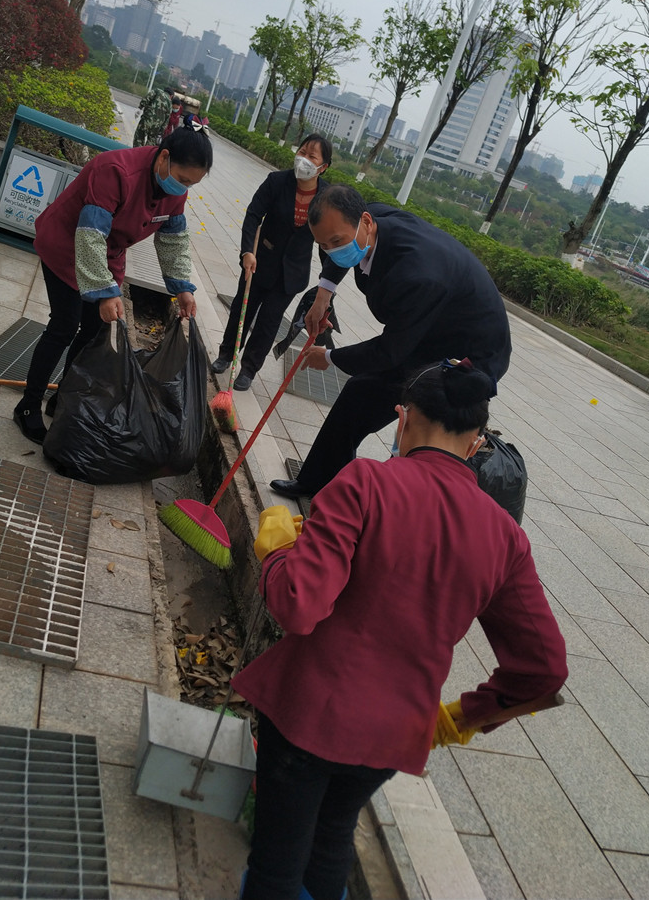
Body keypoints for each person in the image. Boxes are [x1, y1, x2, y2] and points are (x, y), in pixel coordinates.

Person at [233, 358, 568, 900]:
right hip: (393, 736)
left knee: (276, 863)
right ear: (476, 441)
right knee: (331, 837)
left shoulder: (366, 481)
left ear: (403, 417)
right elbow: (546, 669)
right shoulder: (506, 538)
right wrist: (462, 718)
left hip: (306, 716)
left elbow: (298, 604)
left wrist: (277, 551)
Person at [270, 183, 512, 498]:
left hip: (467, 355)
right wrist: (323, 294)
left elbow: (390, 351)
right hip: (428, 330)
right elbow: (337, 249)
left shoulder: (416, 274)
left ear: (366, 222)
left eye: (338, 242)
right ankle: (320, 483)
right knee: (358, 394)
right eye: (323, 245)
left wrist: (329, 358)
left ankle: (394, 514)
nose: (331, 250)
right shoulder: (371, 219)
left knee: (420, 433)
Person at [13, 124, 213, 444]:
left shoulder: (174, 192)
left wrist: (183, 288)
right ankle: (28, 406)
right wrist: (105, 292)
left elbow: (173, 241)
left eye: (192, 184)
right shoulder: (115, 170)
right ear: (164, 158)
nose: (184, 188)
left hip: (108, 254)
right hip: (67, 244)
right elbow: (90, 235)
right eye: (184, 179)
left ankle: (63, 397)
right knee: (65, 325)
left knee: (93, 331)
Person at [211, 135, 332, 391]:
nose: (304, 159)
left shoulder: (327, 197)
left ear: (324, 167)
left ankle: (249, 369)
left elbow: (327, 244)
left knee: (269, 321)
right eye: (302, 151)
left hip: (292, 273)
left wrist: (327, 286)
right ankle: (226, 355)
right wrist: (247, 252)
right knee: (241, 310)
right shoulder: (277, 182)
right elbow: (254, 214)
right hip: (259, 262)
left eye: (312, 156)